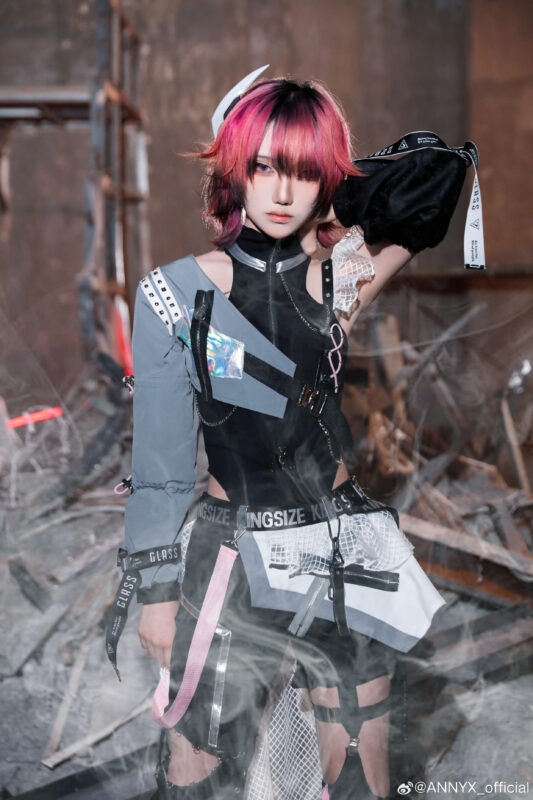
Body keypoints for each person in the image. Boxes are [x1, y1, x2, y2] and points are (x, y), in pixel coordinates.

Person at [115, 74, 470, 800]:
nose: (282, 191)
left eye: (304, 172)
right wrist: (155, 590)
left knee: (359, 780)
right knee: (196, 777)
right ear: (233, 169)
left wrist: (338, 188)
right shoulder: (172, 293)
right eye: (264, 165)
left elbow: (436, 181)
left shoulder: (339, 278)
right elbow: (160, 466)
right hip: (229, 558)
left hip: (343, 549)